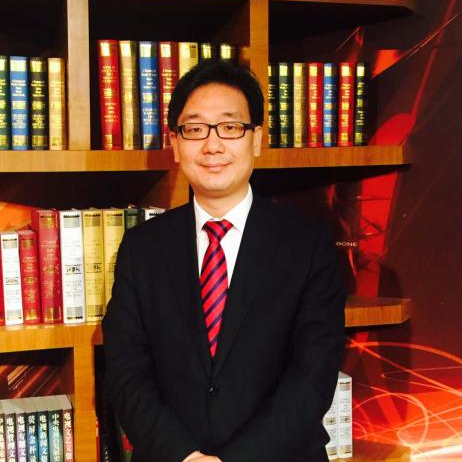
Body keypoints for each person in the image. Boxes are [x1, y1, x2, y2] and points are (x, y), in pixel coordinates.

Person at [102, 59, 345, 462]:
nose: (212, 145)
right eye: (195, 129)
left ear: (256, 139)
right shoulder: (142, 247)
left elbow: (312, 376)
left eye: (230, 127)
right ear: (176, 144)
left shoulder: (308, 244)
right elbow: (126, 371)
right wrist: (184, 456)